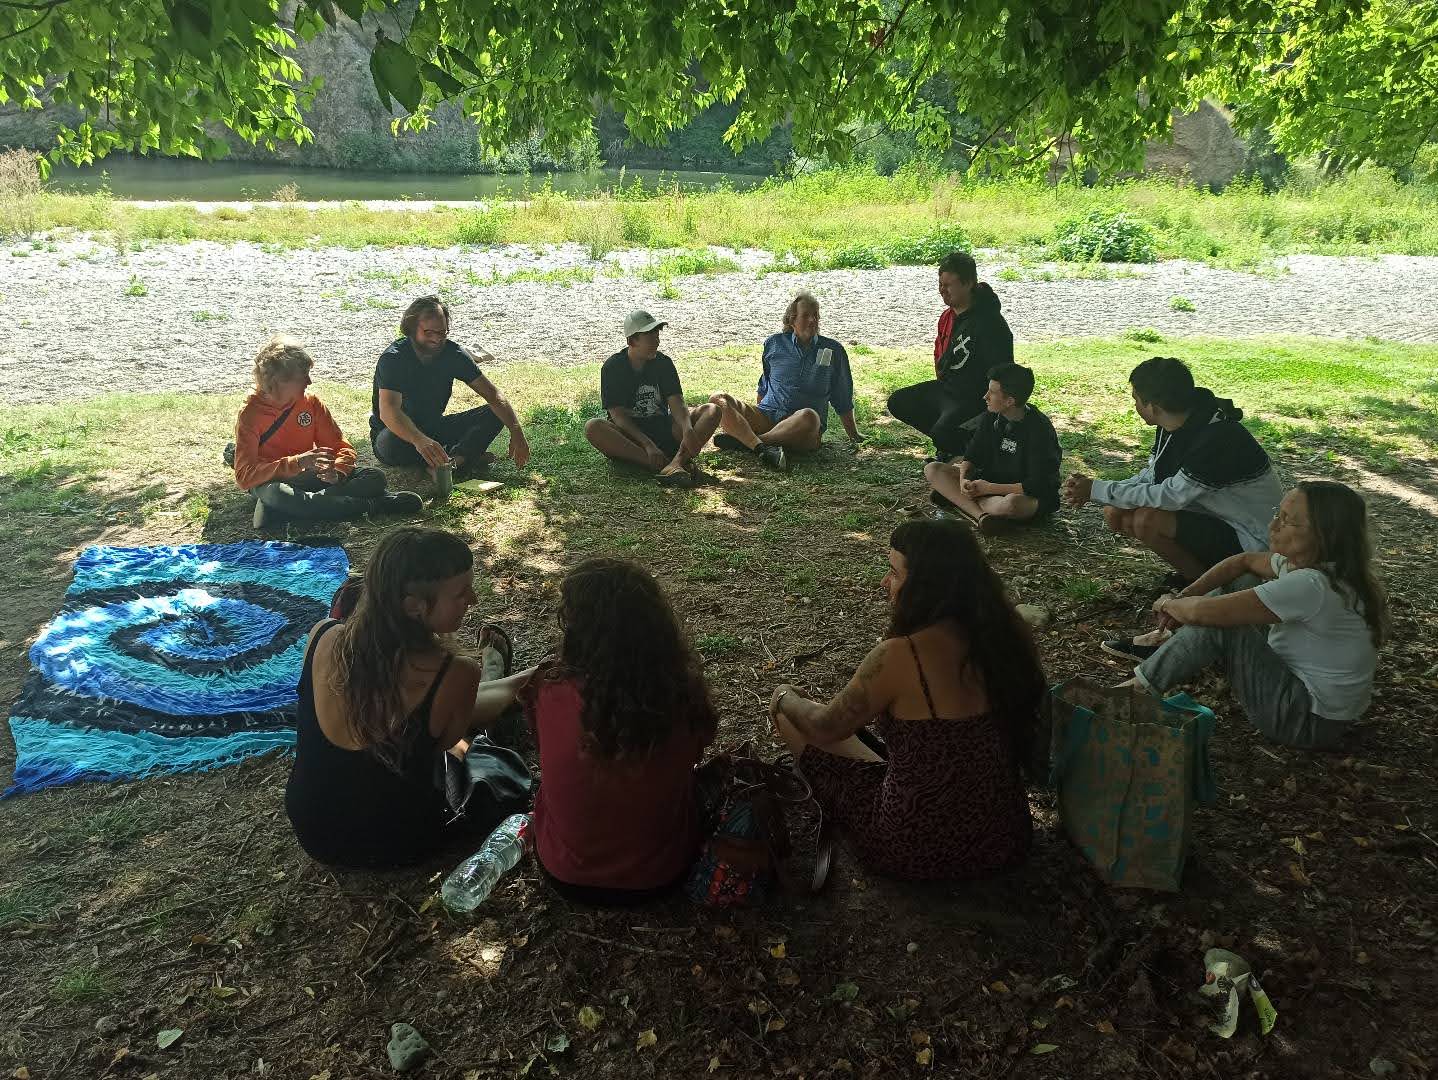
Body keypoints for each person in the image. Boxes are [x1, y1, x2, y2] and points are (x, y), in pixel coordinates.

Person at [769, 519, 1042, 880]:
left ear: (926, 587)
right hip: (1004, 839)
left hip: (913, 847)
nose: (885, 583)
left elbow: (824, 728)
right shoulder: (1009, 640)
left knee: (792, 720)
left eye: (894, 573)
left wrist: (784, 697)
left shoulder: (900, 656)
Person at [285, 528, 535, 869]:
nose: (474, 599)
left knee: (440, 718)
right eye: (462, 592)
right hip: (402, 840)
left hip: (315, 834)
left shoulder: (323, 634)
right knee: (472, 746)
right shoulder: (457, 672)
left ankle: (511, 682)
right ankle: (515, 684)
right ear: (414, 606)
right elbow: (450, 746)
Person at [1118, 482, 1386, 750]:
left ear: (1323, 535)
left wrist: (1168, 604)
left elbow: (1201, 613)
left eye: (1287, 521)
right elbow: (1243, 562)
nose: (1273, 525)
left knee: (1221, 623)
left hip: (1306, 722)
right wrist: (1186, 595)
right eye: (1277, 514)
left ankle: (1139, 689)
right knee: (1243, 582)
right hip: (1320, 711)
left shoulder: (1311, 585)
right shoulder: (1328, 569)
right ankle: (1173, 649)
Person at [522, 558, 717, 905]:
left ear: (576, 629)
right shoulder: (683, 697)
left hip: (564, 874)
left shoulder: (549, 690)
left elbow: (545, 752)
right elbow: (695, 757)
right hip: (660, 875)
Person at [1064, 356, 1283, 588]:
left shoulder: (1217, 438)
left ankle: (1204, 587)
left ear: (1154, 407)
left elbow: (1170, 496)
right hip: (1215, 515)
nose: (1134, 406)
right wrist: (1096, 489)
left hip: (1251, 536)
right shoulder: (1178, 423)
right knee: (1116, 512)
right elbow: (1153, 475)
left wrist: (1096, 490)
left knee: (1147, 519)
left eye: (1136, 399)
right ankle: (1199, 577)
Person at [233, 335, 422, 529]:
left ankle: (293, 508)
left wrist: (337, 472)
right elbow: (245, 476)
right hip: (274, 481)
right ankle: (374, 505)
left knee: (374, 477)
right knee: (278, 495)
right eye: (303, 376)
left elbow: (340, 446)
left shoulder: (310, 403)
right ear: (280, 381)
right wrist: (297, 462)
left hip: (310, 477)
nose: (309, 381)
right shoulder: (251, 413)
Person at [370, 295, 531, 499]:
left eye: (442, 333)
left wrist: (516, 431)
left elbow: (493, 395)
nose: (437, 339)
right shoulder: (393, 359)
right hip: (394, 435)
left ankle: (453, 462)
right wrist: (419, 440)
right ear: (411, 328)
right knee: (392, 442)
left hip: (434, 429)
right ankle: (455, 458)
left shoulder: (453, 354)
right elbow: (389, 411)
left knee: (495, 414)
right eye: (429, 332)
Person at [710, 291, 863, 472]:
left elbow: (842, 395)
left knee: (809, 416)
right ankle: (760, 444)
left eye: (816, 315)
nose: (812, 320)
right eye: (806, 315)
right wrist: (753, 415)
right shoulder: (773, 344)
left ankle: (750, 442)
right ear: (792, 320)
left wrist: (853, 434)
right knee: (718, 399)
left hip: (803, 428)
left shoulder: (833, 349)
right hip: (768, 415)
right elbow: (765, 384)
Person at [888, 252, 1014, 462]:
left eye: (948, 285)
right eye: (940, 284)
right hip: (948, 388)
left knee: (942, 432)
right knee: (899, 401)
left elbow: (1003, 371)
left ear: (968, 283)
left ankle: (969, 451)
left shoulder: (991, 323)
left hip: (975, 396)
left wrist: (993, 404)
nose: (942, 290)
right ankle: (956, 446)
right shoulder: (949, 316)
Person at [584, 310, 723, 489]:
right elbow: (618, 417)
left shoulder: (664, 363)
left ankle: (677, 462)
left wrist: (687, 429)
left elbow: (677, 402)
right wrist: (648, 444)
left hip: (664, 428)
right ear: (632, 341)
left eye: (657, 335)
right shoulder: (613, 368)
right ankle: (665, 465)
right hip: (630, 438)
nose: (657, 341)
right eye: (650, 337)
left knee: (712, 410)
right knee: (593, 427)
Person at [925, 362, 1061, 534]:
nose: (985, 397)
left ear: (1010, 401)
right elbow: (972, 456)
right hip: (987, 485)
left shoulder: (1039, 430)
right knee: (933, 469)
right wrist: (963, 480)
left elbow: (1036, 484)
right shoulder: (991, 417)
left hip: (1021, 494)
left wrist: (988, 488)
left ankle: (957, 499)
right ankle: (982, 516)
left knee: (1011, 505)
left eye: (992, 392)